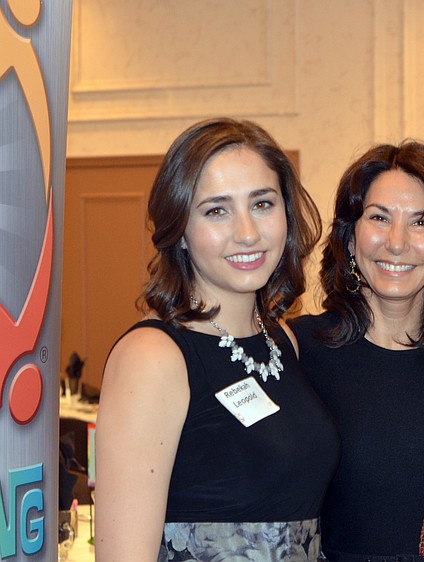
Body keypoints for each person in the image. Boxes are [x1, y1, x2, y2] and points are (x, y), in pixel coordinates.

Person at [95, 118, 340, 562]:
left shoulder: (282, 341)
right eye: (216, 210)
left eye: (262, 204)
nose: (247, 232)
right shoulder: (153, 356)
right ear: (180, 233)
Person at [290, 140, 424, 562]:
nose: (397, 243)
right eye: (379, 217)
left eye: (421, 222)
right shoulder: (295, 352)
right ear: (351, 234)